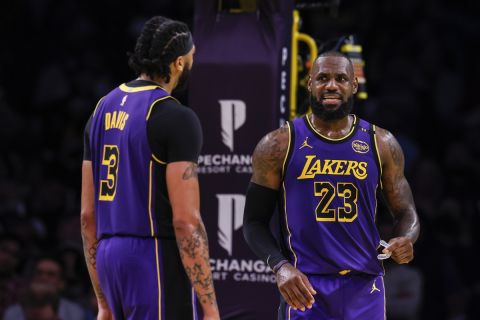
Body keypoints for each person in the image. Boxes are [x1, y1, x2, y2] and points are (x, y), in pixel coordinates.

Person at [243, 51, 420, 319]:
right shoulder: (278, 145)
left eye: (341, 78)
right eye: (323, 78)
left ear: (353, 85)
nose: (332, 85)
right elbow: (253, 223)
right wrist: (280, 267)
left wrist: (406, 238)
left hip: (365, 284)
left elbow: (407, 213)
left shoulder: (381, 143)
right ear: (310, 83)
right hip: (305, 287)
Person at [81, 16, 219, 320]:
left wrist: (102, 300)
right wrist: (210, 309)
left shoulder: (101, 108)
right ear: (179, 62)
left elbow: (87, 216)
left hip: (108, 257)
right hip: (152, 258)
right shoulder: (175, 116)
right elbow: (186, 222)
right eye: (192, 58)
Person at [3, 256, 85, 320]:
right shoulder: (12, 312)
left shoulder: (75, 313)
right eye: (39, 273)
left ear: (61, 283)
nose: (43, 278)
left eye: (51, 274)